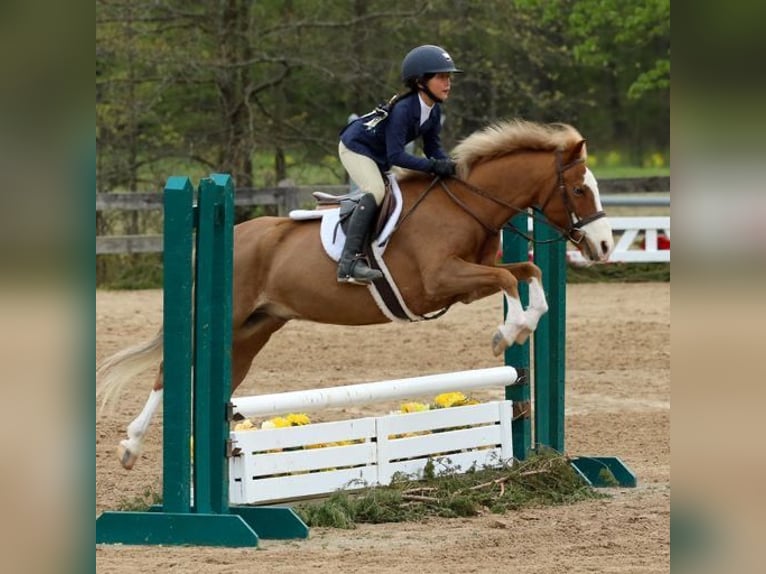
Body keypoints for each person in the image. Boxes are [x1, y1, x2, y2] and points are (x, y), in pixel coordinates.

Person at [336, 44, 462, 284]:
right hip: (356, 148)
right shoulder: (404, 109)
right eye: (441, 77)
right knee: (376, 191)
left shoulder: (433, 110)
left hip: (378, 155)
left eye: (449, 77)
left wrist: (453, 166)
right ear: (420, 82)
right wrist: (435, 166)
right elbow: (396, 157)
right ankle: (349, 262)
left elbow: (432, 148)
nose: (448, 83)